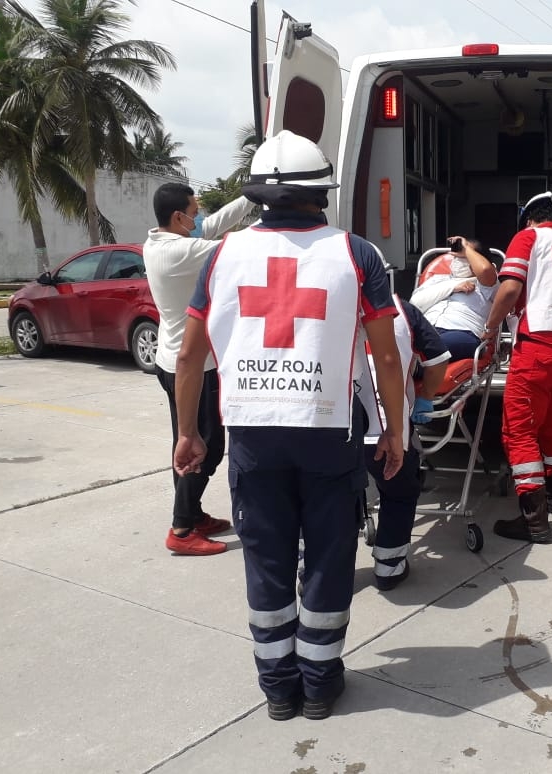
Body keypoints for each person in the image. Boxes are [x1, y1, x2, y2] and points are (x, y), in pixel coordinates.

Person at [171, 130, 407, 721]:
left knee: (266, 555)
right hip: (331, 430)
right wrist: (395, 430)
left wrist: (187, 432)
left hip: (253, 432)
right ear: (320, 192)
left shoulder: (223, 253)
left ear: (259, 193)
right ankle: (321, 684)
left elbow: (188, 355)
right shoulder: (358, 254)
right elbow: (385, 356)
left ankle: (279, 688)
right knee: (329, 553)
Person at [145, 183, 256, 556]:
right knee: (201, 448)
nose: (200, 218)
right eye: (195, 211)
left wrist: (254, 194)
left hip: (176, 361)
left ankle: (192, 513)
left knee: (187, 440)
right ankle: (181, 528)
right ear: (178, 218)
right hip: (193, 367)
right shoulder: (182, 252)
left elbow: (217, 223)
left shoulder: (161, 241)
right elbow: (240, 246)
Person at [481, 191, 552, 542]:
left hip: (538, 345)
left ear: (529, 218)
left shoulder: (528, 237)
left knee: (519, 431)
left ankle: (534, 522)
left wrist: (491, 327)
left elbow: (510, 289)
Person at [364, 294, 451, 591]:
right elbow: (438, 359)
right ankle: (389, 567)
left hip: (329, 424)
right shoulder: (402, 310)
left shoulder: (320, 300)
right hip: (386, 426)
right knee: (399, 491)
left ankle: (310, 570)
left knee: (325, 496)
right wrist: (425, 397)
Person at [410, 237, 498, 361]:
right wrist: (453, 287)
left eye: (463, 257)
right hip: (427, 329)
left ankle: (416, 365)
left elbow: (485, 269)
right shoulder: (437, 280)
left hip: (462, 332)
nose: (457, 260)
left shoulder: (487, 285)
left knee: (433, 347)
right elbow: (415, 304)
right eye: (456, 257)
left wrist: (467, 248)